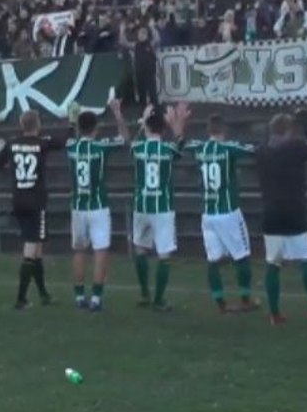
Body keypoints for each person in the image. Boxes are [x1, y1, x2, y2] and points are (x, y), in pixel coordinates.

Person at [254, 109, 307, 325]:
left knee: (273, 263)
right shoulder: (295, 149)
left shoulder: (262, 152)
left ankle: (274, 313)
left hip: (271, 213)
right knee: (306, 259)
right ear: (289, 131)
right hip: (295, 212)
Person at [0, 110, 64, 310]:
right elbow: (62, 141)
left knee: (36, 249)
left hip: (18, 200)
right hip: (36, 201)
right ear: (37, 124)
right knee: (31, 248)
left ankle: (43, 294)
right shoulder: (41, 143)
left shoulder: (12, 144)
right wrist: (72, 125)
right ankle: (21, 298)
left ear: (22, 125)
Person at [188, 114, 260, 314]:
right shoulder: (229, 148)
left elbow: (184, 144)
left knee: (213, 260)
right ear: (224, 129)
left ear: (208, 130)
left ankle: (221, 304)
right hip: (228, 212)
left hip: (207, 214)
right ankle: (245, 299)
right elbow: (254, 151)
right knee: (242, 256)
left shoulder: (200, 148)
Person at [67, 98, 128, 312]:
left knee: (79, 251)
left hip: (78, 206)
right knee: (100, 251)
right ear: (96, 128)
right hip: (98, 206)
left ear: (79, 128)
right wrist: (117, 113)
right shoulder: (101, 147)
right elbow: (124, 138)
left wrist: (73, 121)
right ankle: (96, 298)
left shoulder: (71, 147)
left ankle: (79, 296)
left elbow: (72, 137)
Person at [129, 103, 190, 312]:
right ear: (163, 129)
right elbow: (181, 145)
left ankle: (144, 293)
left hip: (141, 205)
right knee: (164, 254)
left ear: (146, 126)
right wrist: (177, 127)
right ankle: (159, 299)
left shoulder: (138, 148)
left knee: (141, 249)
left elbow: (132, 142)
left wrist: (142, 123)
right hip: (162, 207)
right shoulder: (168, 149)